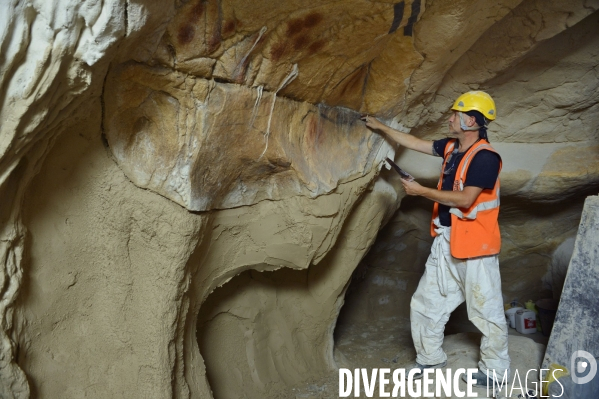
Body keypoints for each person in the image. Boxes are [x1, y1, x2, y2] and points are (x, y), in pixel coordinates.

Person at [362, 91, 509, 388]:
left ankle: (496, 370)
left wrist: (421, 191)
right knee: (426, 303)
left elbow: (467, 199)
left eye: (456, 114)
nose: (450, 118)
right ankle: (430, 358)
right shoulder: (453, 148)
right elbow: (417, 143)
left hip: (476, 248)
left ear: (470, 121)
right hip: (447, 241)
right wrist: (381, 127)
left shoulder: (486, 158)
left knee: (486, 310)